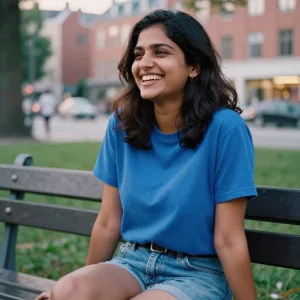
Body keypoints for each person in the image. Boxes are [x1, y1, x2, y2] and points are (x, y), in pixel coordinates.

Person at [36, 9, 257, 300]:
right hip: (133, 261)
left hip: (197, 272)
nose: (145, 63)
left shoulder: (225, 128)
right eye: (138, 54)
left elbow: (228, 238)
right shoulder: (122, 123)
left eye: (160, 52)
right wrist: (83, 287)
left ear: (194, 66)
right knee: (68, 292)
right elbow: (108, 221)